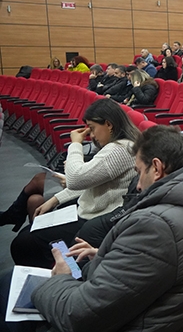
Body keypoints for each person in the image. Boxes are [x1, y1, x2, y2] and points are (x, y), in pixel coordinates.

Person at [25, 125, 183, 332]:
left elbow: (77, 316)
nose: (137, 185)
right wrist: (109, 256)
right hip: (155, 313)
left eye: (139, 172)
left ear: (156, 168)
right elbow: (166, 262)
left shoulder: (156, 227)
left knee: (15, 290)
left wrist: (58, 279)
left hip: (133, 323)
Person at [7, 99, 139, 268]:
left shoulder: (120, 149)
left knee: (24, 243)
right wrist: (55, 199)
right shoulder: (119, 146)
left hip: (97, 219)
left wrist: (75, 144)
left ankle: (59, 273)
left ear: (108, 124)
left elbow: (76, 179)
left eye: (92, 128)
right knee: (29, 232)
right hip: (89, 209)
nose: (92, 136)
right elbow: (90, 181)